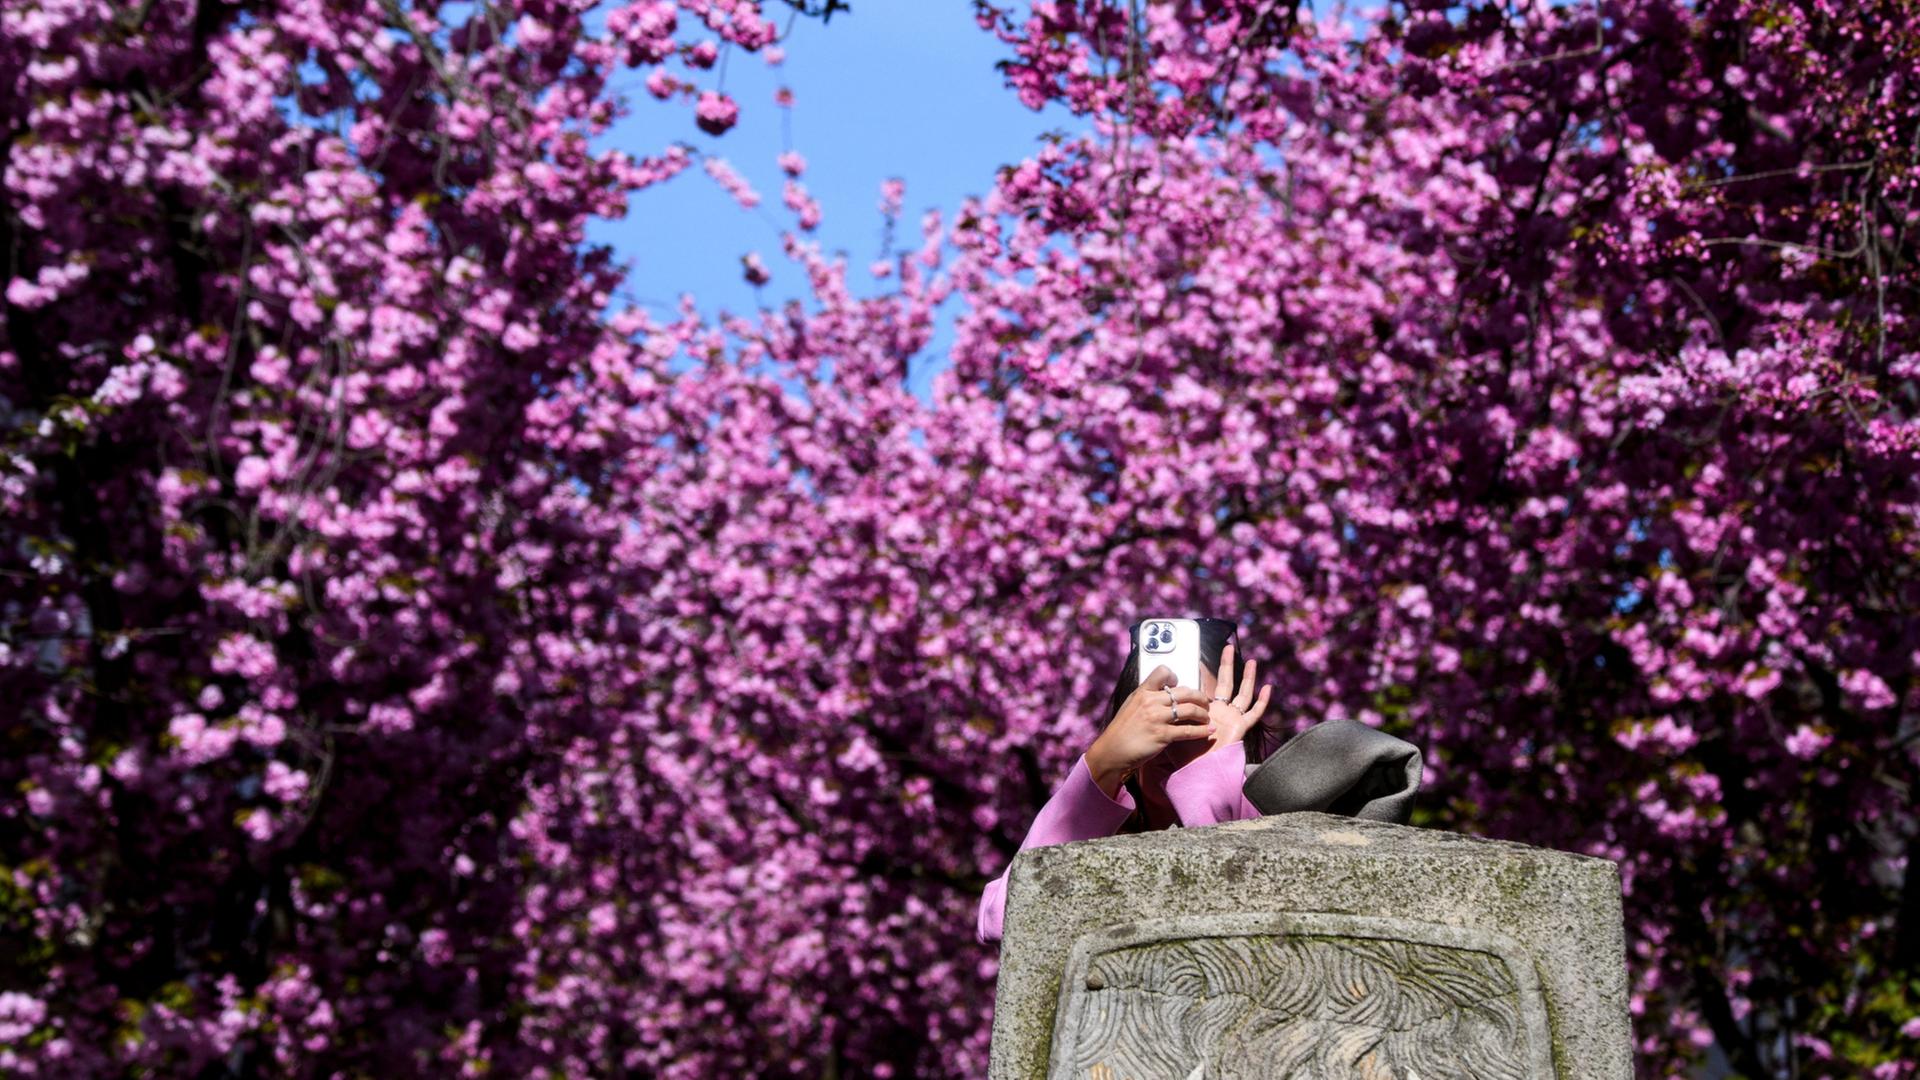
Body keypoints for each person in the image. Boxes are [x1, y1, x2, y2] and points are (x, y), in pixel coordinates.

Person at [975, 618, 1277, 944]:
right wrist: (1102, 764)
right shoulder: (1096, 831)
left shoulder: (1270, 818)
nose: (1175, 738)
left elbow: (1234, 926)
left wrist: (1211, 780)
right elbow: (1006, 920)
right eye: (1160, 714)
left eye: (1197, 714)